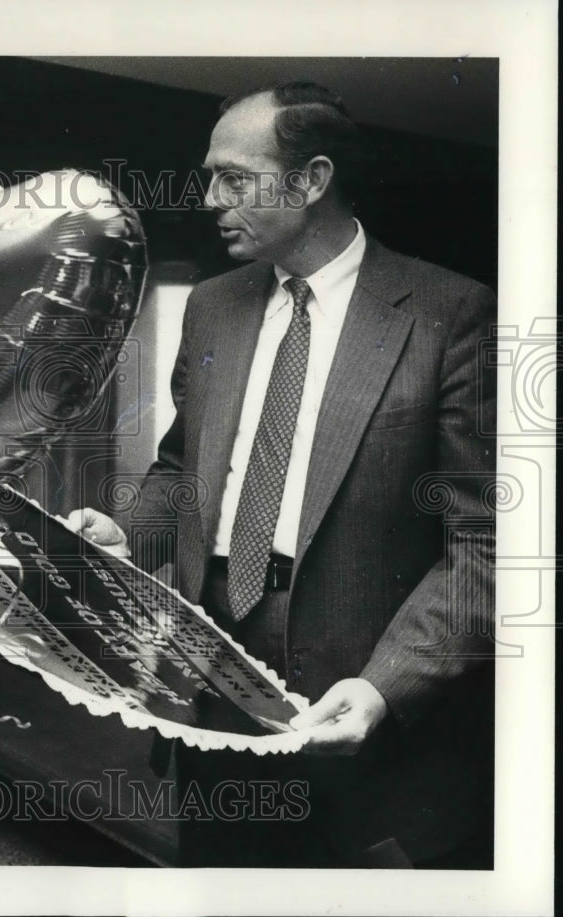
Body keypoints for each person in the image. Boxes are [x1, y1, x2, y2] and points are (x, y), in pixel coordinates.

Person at [68, 82, 496, 867]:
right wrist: (125, 531)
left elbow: (485, 544)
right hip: (213, 673)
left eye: (234, 177)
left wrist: (384, 686)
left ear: (311, 180)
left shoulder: (451, 313)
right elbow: (181, 468)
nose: (208, 199)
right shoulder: (212, 306)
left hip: (364, 692)